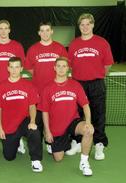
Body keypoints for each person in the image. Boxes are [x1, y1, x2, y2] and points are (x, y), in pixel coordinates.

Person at [68, 13, 114, 160]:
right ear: (79, 26)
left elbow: (107, 66)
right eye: (82, 24)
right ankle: (77, 142)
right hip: (78, 84)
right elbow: (70, 65)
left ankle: (99, 144)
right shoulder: (74, 44)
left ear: (93, 25)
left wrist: (96, 77)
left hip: (96, 84)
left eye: (88, 24)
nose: (85, 27)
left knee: (98, 115)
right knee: (76, 114)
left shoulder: (102, 43)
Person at [39, 57, 94, 176]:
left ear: (68, 69)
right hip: (56, 127)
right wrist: (47, 131)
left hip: (73, 122)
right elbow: (44, 112)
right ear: (54, 68)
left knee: (89, 130)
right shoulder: (47, 88)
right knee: (58, 158)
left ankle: (84, 162)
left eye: (64, 66)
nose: (61, 69)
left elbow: (85, 106)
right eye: (58, 66)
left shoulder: (75, 85)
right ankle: (63, 142)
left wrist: (88, 122)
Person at [25, 22, 68, 154]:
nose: (45, 33)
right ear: (39, 33)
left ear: (52, 31)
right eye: (42, 31)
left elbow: (64, 67)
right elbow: (31, 69)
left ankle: (51, 141)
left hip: (56, 92)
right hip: (38, 92)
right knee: (39, 121)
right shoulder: (33, 49)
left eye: (47, 30)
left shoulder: (60, 48)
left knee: (54, 118)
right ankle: (40, 143)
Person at [0, 19, 26, 153]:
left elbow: (22, 66)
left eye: (5, 28)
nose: (3, 31)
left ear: (9, 30)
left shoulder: (17, 46)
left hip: (14, 84)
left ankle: (18, 138)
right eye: (0, 28)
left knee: (16, 112)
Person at [0, 57, 43, 172]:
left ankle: (36, 160)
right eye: (11, 67)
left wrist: (32, 121)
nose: (14, 70)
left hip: (24, 121)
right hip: (9, 125)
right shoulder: (1, 86)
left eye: (17, 67)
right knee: (9, 157)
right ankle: (18, 142)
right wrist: (0, 128)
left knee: (34, 131)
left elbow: (32, 106)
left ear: (21, 68)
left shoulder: (29, 85)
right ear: (8, 68)